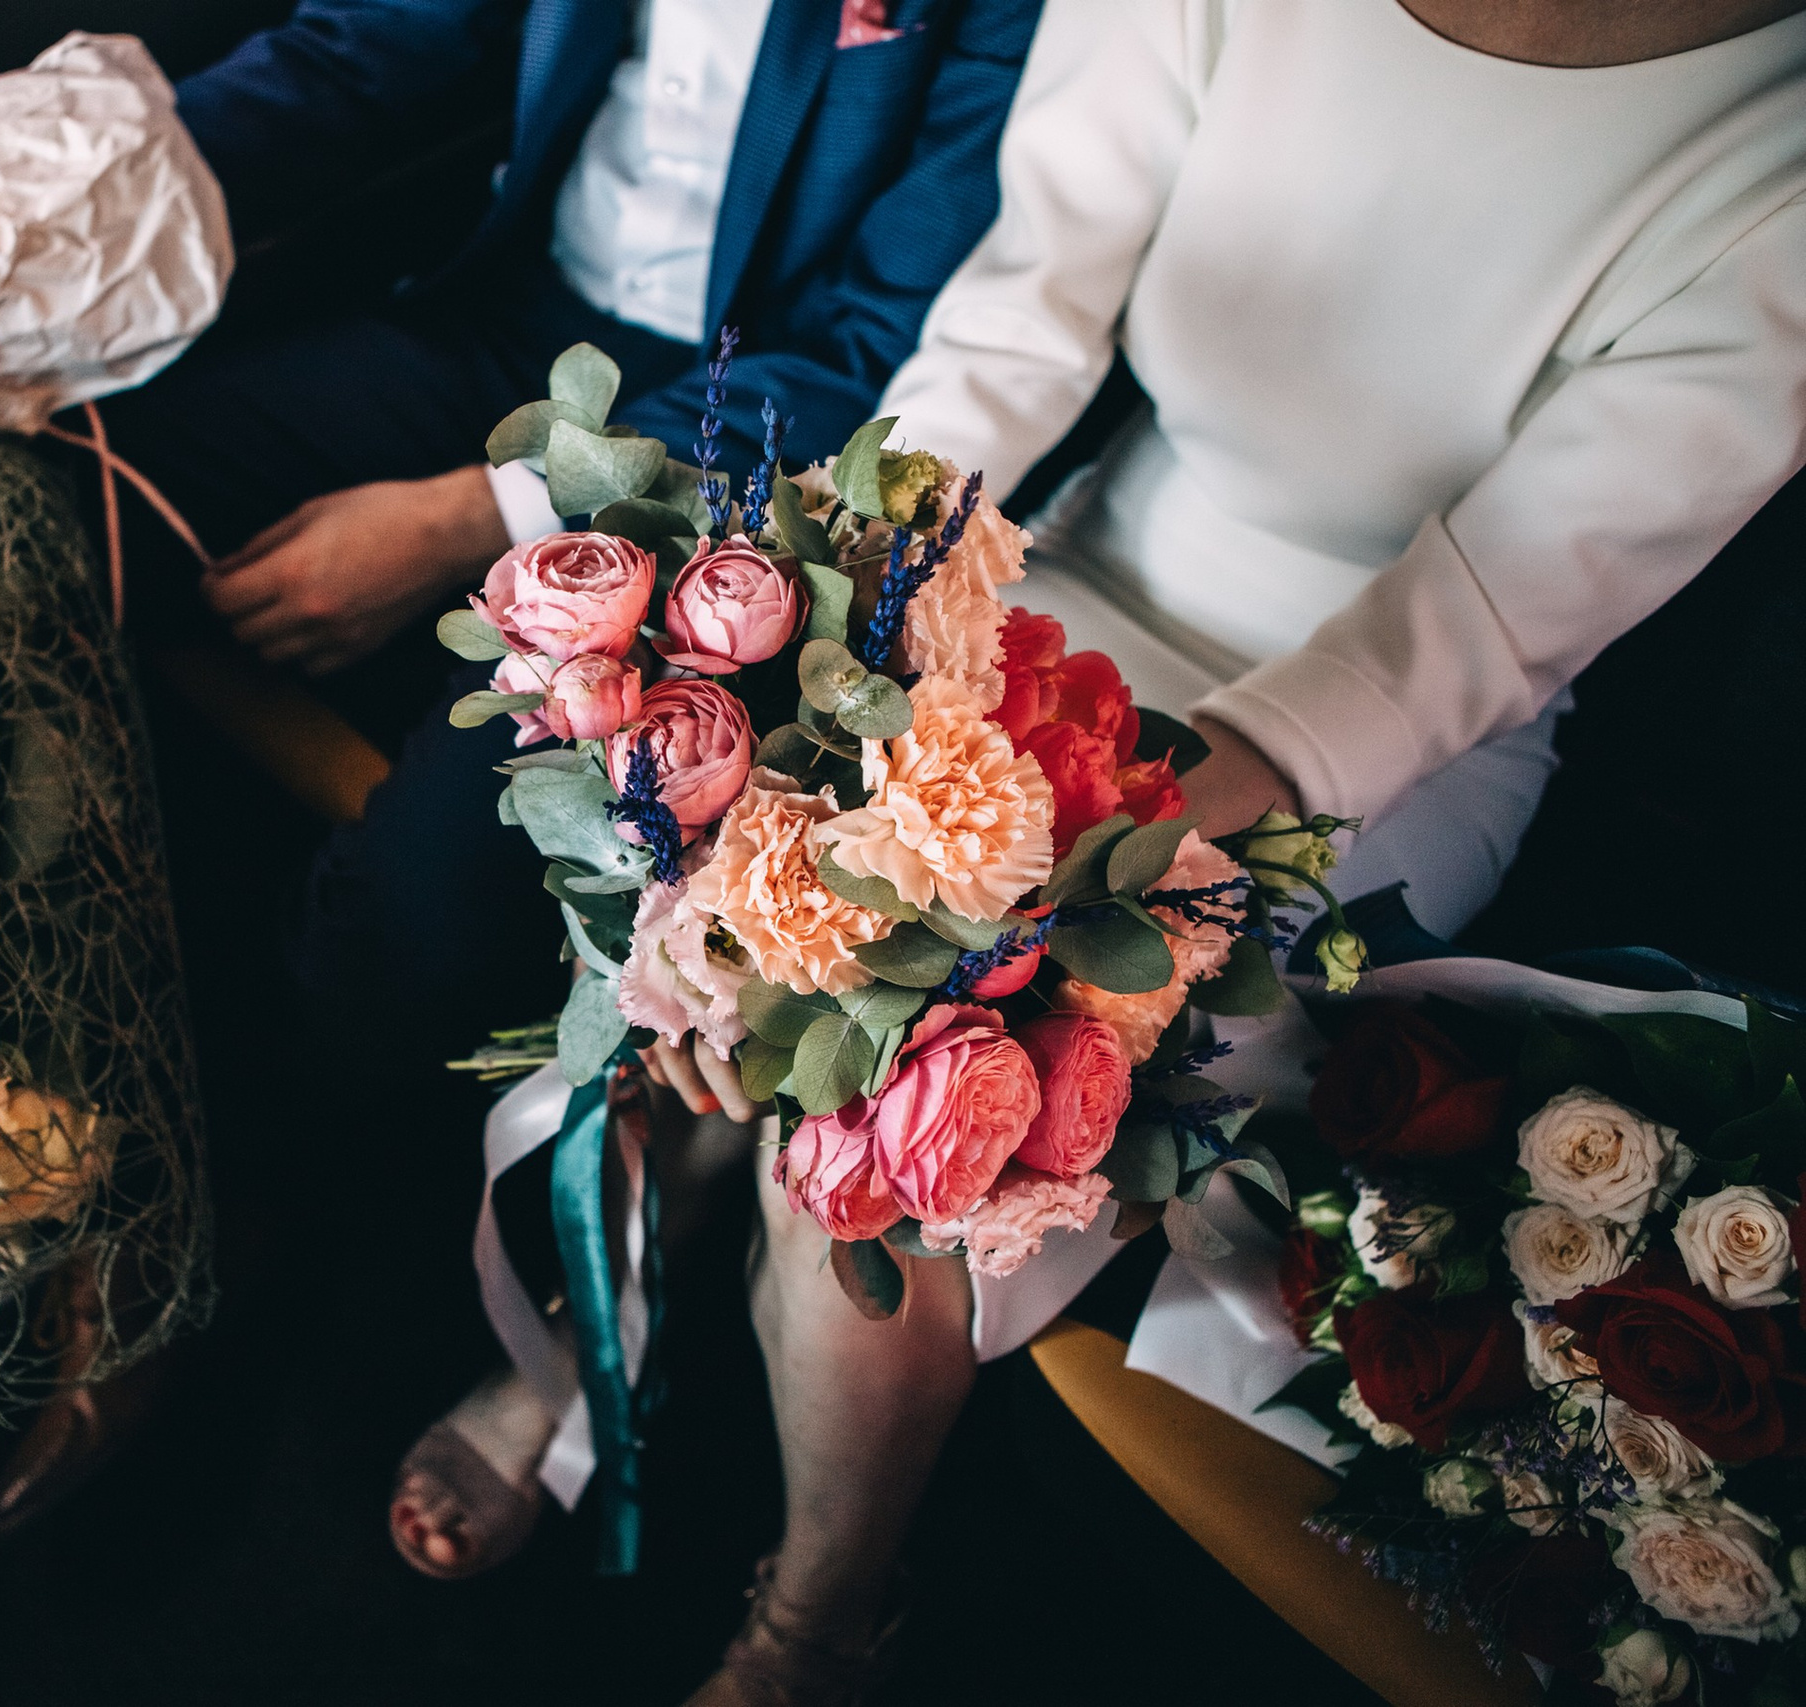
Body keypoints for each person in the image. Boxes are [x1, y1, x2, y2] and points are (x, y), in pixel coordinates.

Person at [404, 3, 1806, 1702]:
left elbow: (1477, 620)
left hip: (1385, 730)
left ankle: (816, 1621)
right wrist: (835, 659)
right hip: (1078, 572)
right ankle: (594, 1335)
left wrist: (1017, 868)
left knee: (914, 1109)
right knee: (737, 914)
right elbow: (1018, 322)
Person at [0, 0, 1047, 1531]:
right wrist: (55, 193)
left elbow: (876, 343)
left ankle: (232, 1208)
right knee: (40, 513)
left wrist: (468, 517)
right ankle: (84, 1130)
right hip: (504, 320)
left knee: (421, 896)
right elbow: (373, 45)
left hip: (742, 439)